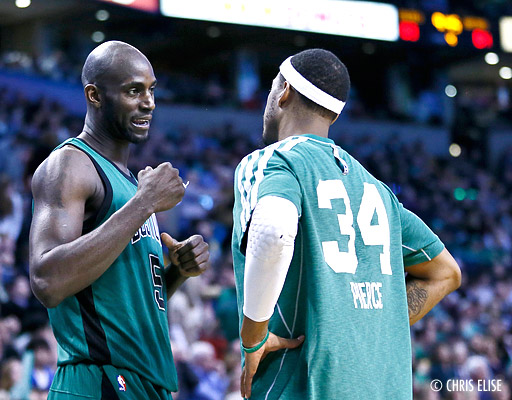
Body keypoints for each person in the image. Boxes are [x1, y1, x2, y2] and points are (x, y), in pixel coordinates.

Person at [231, 49, 461, 399]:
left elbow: (273, 233)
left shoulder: (273, 160)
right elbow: (446, 273)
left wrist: (253, 337)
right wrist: (369, 323)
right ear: (334, 115)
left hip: (304, 385)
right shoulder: (376, 188)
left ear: (285, 91)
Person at [29, 41, 210, 400]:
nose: (149, 102)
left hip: (142, 381)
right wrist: (144, 203)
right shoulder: (70, 164)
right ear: (94, 95)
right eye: (133, 91)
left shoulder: (128, 183)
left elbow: (122, 300)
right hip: (99, 380)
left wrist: (177, 271)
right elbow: (47, 280)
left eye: (152, 90)